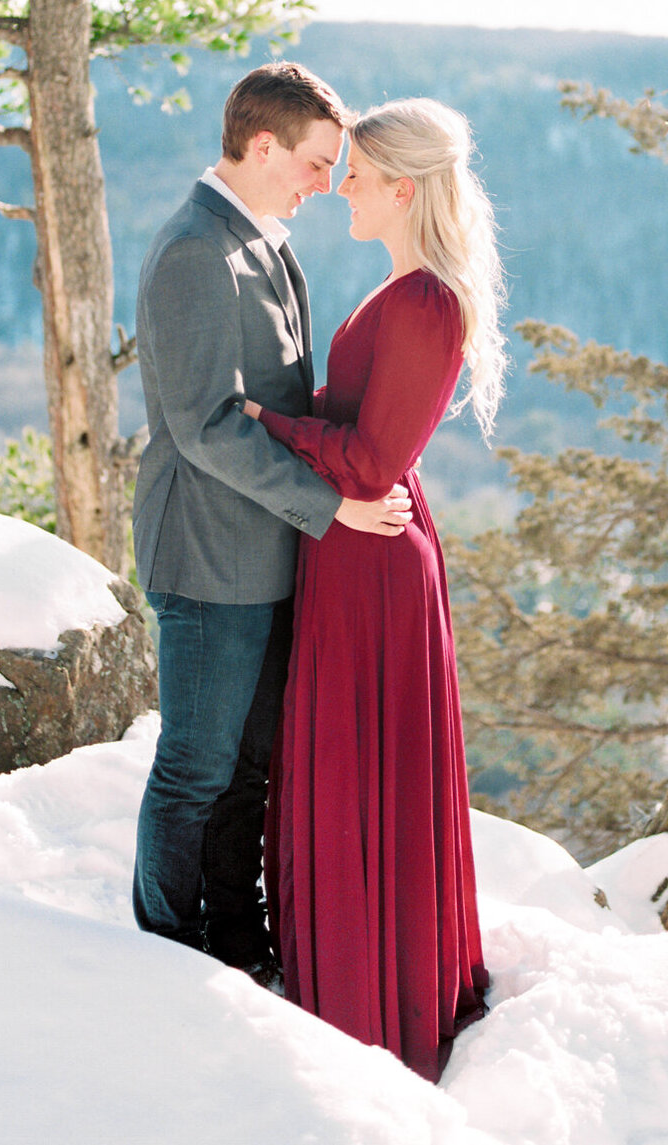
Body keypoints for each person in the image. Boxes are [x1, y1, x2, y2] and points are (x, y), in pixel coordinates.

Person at [245, 97, 507, 1082]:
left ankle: (373, 1010)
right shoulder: (402, 292)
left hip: (375, 563)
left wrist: (264, 423)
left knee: (364, 773)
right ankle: (346, 984)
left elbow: (374, 459)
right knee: (349, 769)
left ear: (402, 187)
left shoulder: (428, 301)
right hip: (354, 555)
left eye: (353, 175)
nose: (339, 187)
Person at [131, 62, 412, 979]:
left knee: (249, 772)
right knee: (195, 771)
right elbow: (207, 425)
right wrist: (331, 508)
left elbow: (283, 400)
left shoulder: (269, 245)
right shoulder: (194, 253)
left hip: (268, 553)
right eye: (317, 163)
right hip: (210, 560)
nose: (327, 185)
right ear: (263, 147)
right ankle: (162, 956)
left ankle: (238, 946)